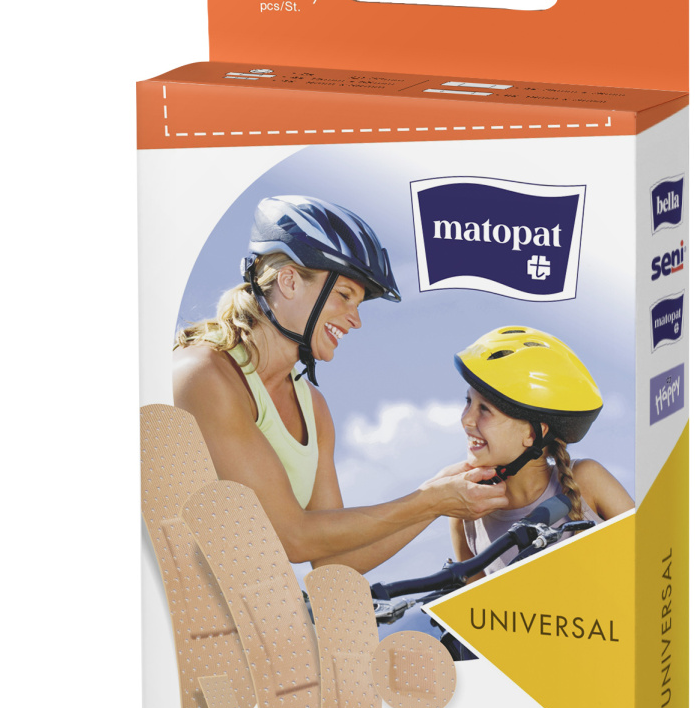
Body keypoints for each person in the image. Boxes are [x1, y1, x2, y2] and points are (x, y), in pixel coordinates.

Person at [173, 195, 508, 572]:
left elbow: (335, 560)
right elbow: (290, 536)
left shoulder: (313, 409)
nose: (356, 320)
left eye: (358, 304)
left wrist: (438, 498)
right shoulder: (204, 376)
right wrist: (429, 500)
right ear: (289, 281)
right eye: (344, 296)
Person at [449, 325, 634, 575]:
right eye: (468, 401)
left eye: (485, 409)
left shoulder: (587, 480)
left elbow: (654, 559)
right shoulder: (466, 515)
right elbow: (472, 600)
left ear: (532, 434)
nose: (466, 420)